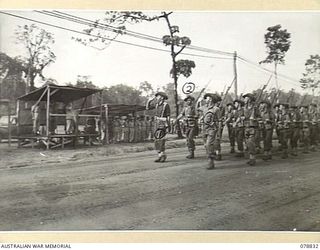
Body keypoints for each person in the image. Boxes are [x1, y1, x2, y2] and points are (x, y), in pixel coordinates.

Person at [146, 91, 171, 162]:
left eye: (158, 96)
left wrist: (169, 126)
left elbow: (168, 116)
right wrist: (149, 100)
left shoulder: (166, 105)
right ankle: (160, 155)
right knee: (156, 140)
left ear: (162, 98)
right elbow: (148, 108)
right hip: (156, 123)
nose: (157, 98)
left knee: (161, 140)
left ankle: (163, 155)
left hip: (162, 124)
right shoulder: (157, 105)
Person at [199, 93, 222, 169]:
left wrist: (218, 131)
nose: (206, 99)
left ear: (211, 99)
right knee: (206, 145)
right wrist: (198, 101)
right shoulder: (204, 108)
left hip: (212, 129)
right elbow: (196, 109)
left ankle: (210, 161)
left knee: (209, 144)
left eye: (207, 98)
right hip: (204, 129)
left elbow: (219, 121)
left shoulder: (216, 109)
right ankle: (211, 156)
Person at [243, 93, 259, 166]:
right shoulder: (244, 108)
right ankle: (250, 158)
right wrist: (241, 118)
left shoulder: (255, 108)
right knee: (247, 143)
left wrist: (255, 119)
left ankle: (253, 159)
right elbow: (241, 116)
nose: (244, 100)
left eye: (246, 98)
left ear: (249, 99)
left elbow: (260, 117)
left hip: (253, 127)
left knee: (251, 143)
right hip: (246, 127)